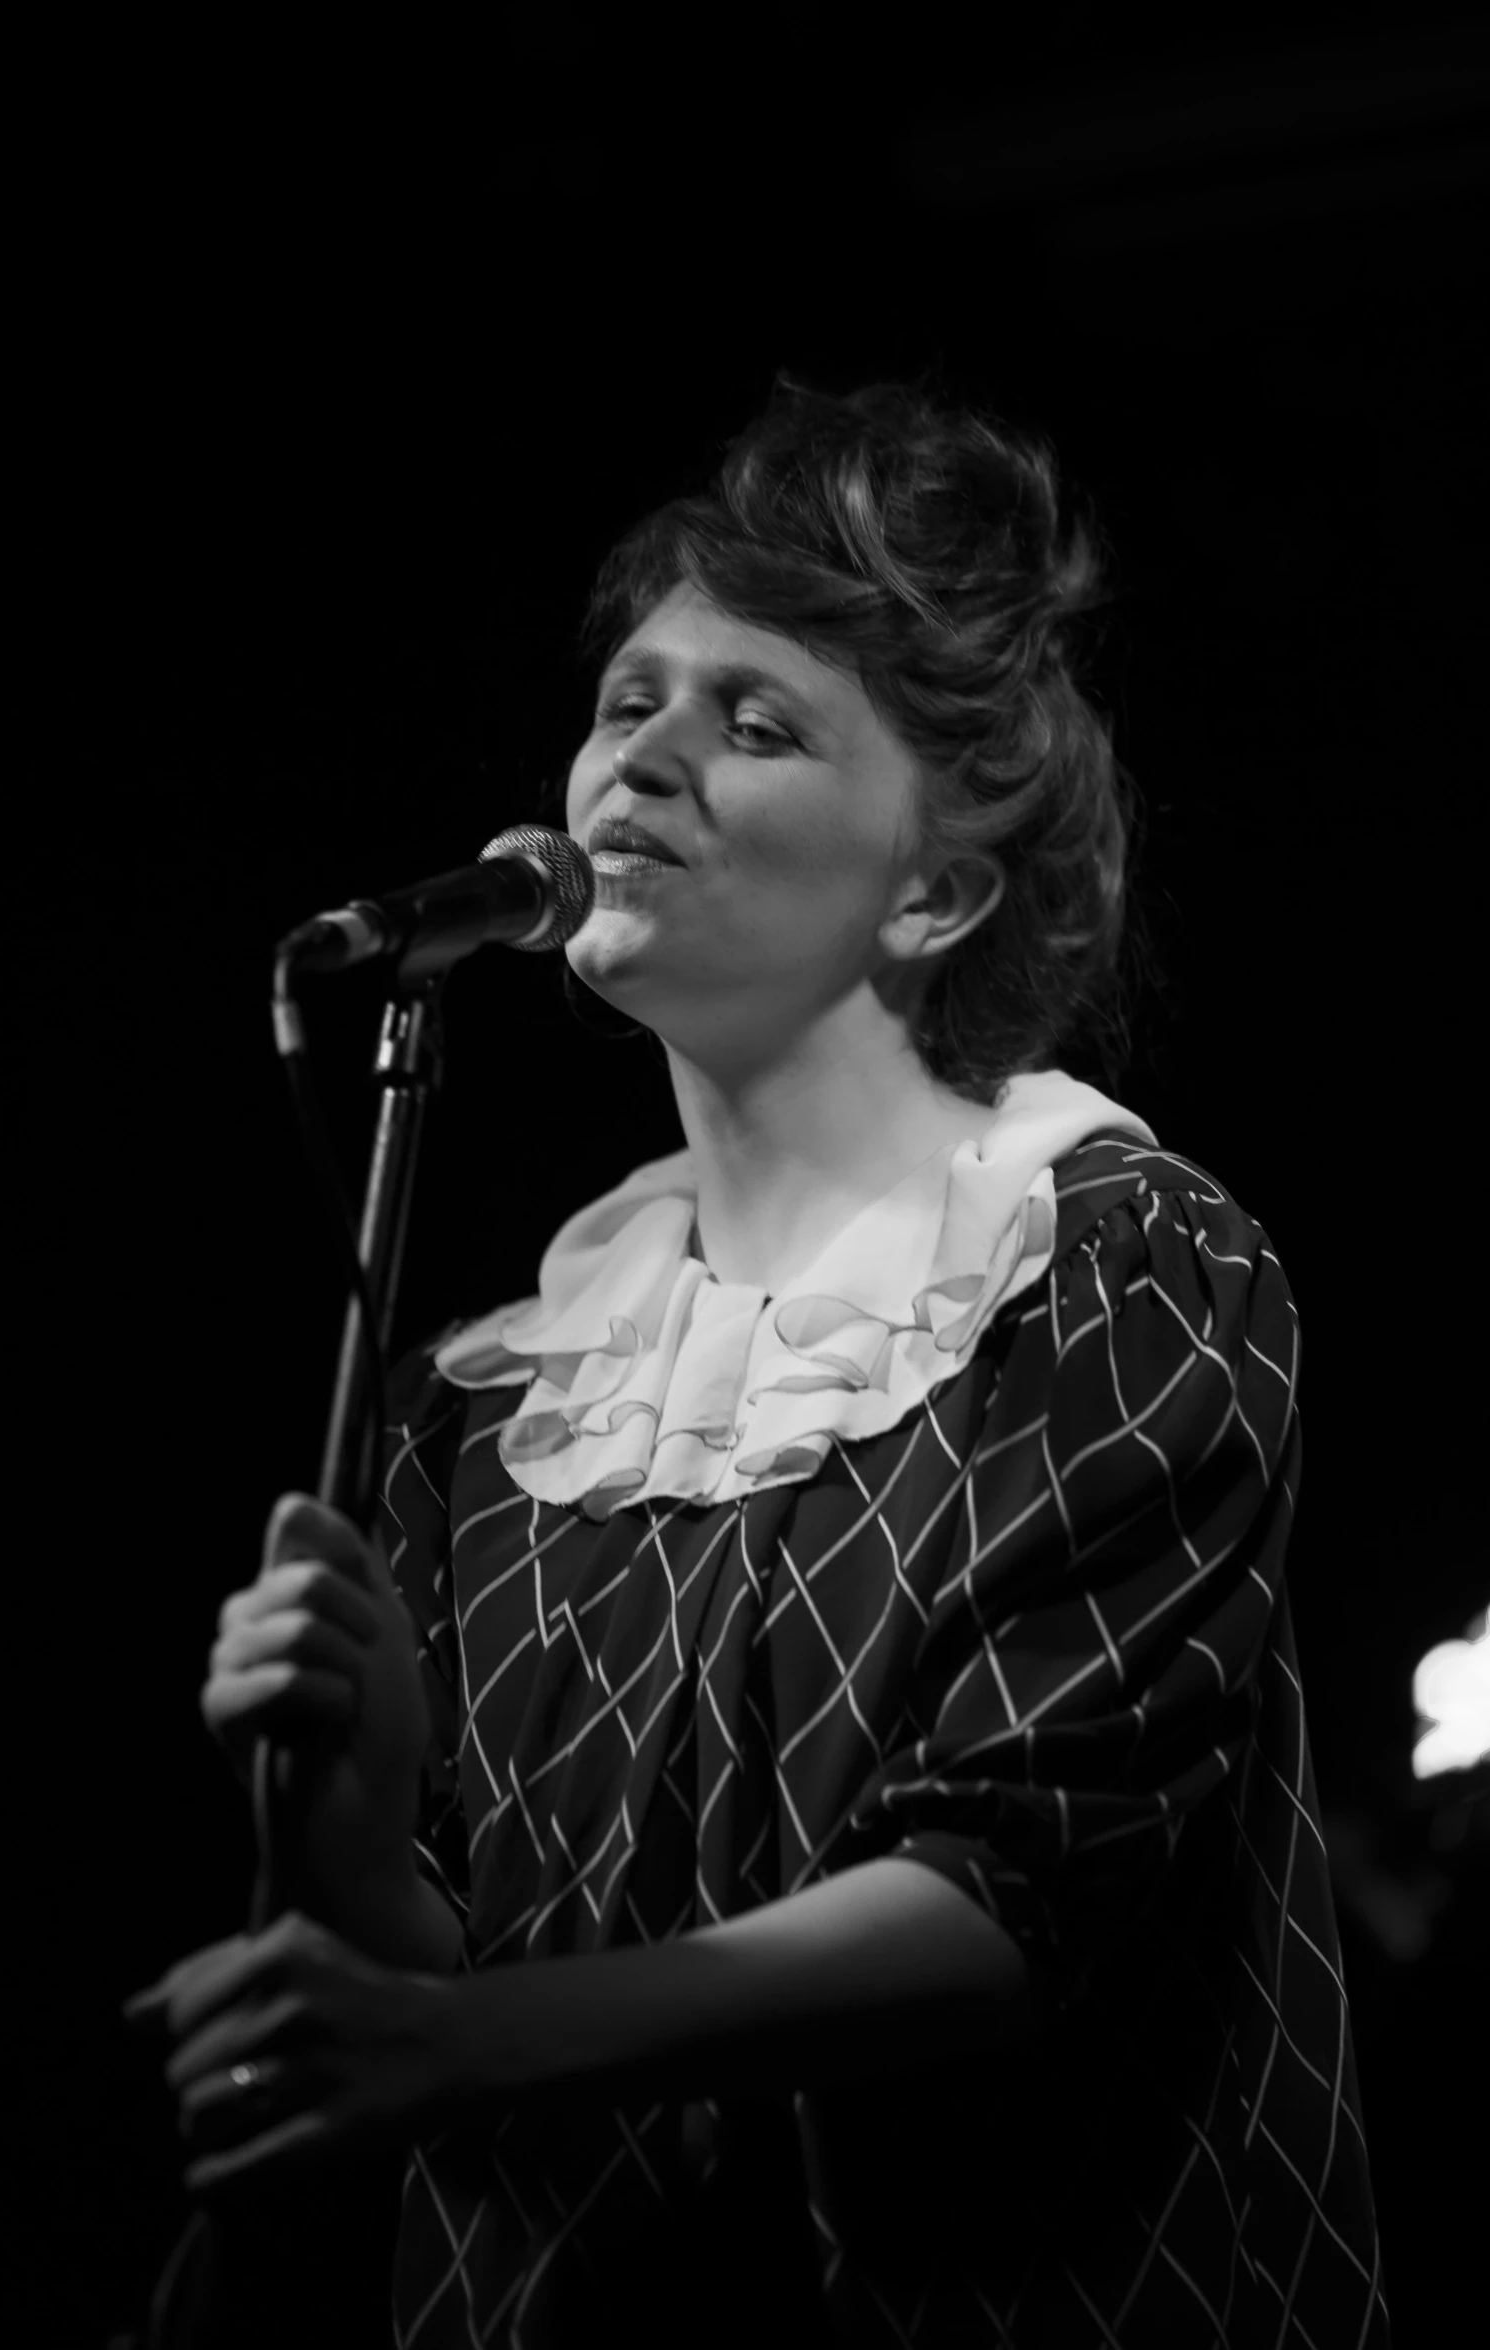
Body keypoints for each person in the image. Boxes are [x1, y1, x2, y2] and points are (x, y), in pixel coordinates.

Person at [128, 374, 1391, 2346]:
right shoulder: (497, 1388)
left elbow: (1007, 1898)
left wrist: (461, 2033)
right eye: (628, 700)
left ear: (934, 887)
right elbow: (454, 1961)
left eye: (755, 719)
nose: (643, 758)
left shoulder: (1108, 1255)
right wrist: (368, 1842)